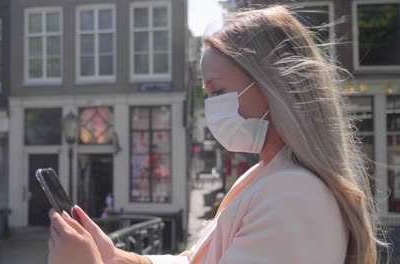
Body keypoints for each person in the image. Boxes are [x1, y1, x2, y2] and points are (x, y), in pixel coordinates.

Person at [47, 5, 388, 264]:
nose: (211, 106)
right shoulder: (267, 175)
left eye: (217, 91)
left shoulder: (293, 196)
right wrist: (118, 257)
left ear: (273, 88)